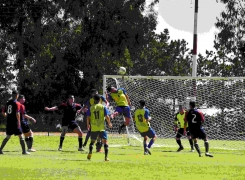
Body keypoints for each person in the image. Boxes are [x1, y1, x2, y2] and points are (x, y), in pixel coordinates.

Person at [0, 90, 29, 155]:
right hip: (15, 122)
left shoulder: (7, 103)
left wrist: (7, 116)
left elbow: (3, 112)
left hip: (9, 122)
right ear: (17, 95)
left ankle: (0, 149)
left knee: (8, 136)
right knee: (21, 136)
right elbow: (17, 113)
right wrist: (19, 122)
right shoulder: (17, 103)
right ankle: (24, 151)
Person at [86, 94, 112, 161]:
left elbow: (88, 117)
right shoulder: (102, 107)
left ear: (94, 100)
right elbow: (107, 116)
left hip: (94, 127)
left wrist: (88, 125)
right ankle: (106, 157)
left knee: (92, 142)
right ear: (100, 100)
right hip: (101, 127)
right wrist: (109, 123)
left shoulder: (91, 107)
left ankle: (90, 152)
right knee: (105, 142)